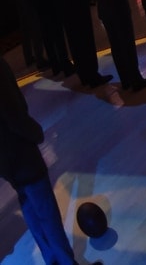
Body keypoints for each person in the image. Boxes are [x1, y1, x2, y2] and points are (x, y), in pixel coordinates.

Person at [0, 59, 103, 265]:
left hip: (4, 155)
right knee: (45, 207)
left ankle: (52, 259)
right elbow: (12, 112)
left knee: (28, 202)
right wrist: (36, 134)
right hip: (18, 148)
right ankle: (65, 262)